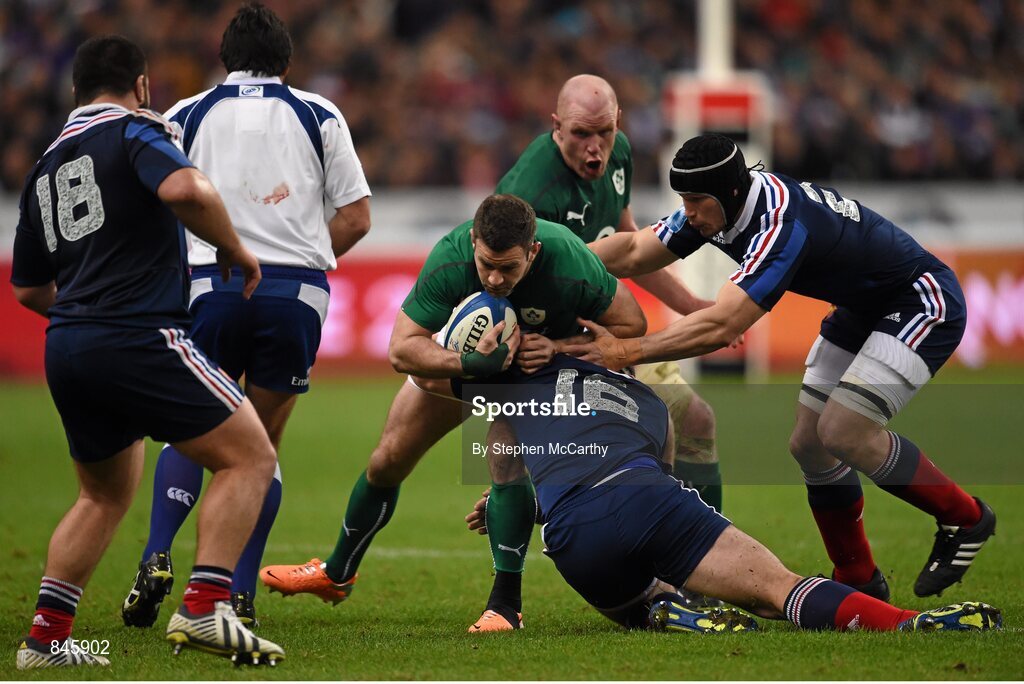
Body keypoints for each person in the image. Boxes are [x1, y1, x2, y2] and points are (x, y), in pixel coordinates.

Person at [569, 133, 997, 600]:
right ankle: (859, 579)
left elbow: (723, 325)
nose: (687, 212)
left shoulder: (779, 221)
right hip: (861, 309)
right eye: (683, 200)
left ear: (729, 192)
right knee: (809, 444)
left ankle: (966, 517)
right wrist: (556, 260)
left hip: (919, 299)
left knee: (843, 432)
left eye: (695, 201)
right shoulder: (722, 204)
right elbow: (633, 252)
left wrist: (627, 352)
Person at [10, 35, 284, 668]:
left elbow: (26, 288)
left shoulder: (44, 165)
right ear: (139, 85)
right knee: (250, 458)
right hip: (138, 335)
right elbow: (187, 189)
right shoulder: (134, 131)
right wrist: (235, 248)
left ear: (75, 91)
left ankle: (45, 641)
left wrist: (84, 314)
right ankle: (204, 606)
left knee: (100, 496)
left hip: (68, 346)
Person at [258, 195, 645, 629]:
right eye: (487, 265)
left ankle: (505, 605)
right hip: (475, 364)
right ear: (473, 241)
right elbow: (402, 350)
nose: (495, 279)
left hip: (545, 372)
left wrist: (557, 348)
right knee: (386, 461)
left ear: (533, 252)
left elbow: (632, 325)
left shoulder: (568, 259)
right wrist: (471, 364)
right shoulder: (450, 258)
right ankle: (338, 573)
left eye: (510, 268)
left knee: (503, 453)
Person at [121, 2, 371, 630]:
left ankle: (156, 554)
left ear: (223, 57)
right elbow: (358, 217)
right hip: (295, 297)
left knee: (193, 426)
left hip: (210, 288)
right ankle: (238, 594)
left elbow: (156, 210)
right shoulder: (318, 112)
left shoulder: (183, 116)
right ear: (286, 59)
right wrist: (303, 261)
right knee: (258, 448)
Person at [458, 354, 1001, 634]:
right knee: (778, 591)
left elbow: (511, 481)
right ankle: (909, 623)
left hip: (576, 542)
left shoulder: (520, 394)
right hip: (648, 500)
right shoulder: (650, 399)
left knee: (640, 601)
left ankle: (662, 611)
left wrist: (519, 509)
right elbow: (659, 477)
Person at [469, 74, 725, 631]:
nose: (596, 148)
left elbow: (629, 242)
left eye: (605, 133)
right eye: (582, 134)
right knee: (501, 442)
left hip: (604, 327)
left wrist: (687, 306)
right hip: (549, 338)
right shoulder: (530, 196)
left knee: (693, 421)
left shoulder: (620, 153)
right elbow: (504, 293)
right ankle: (503, 595)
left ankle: (700, 568)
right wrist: (561, 348)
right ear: (555, 126)